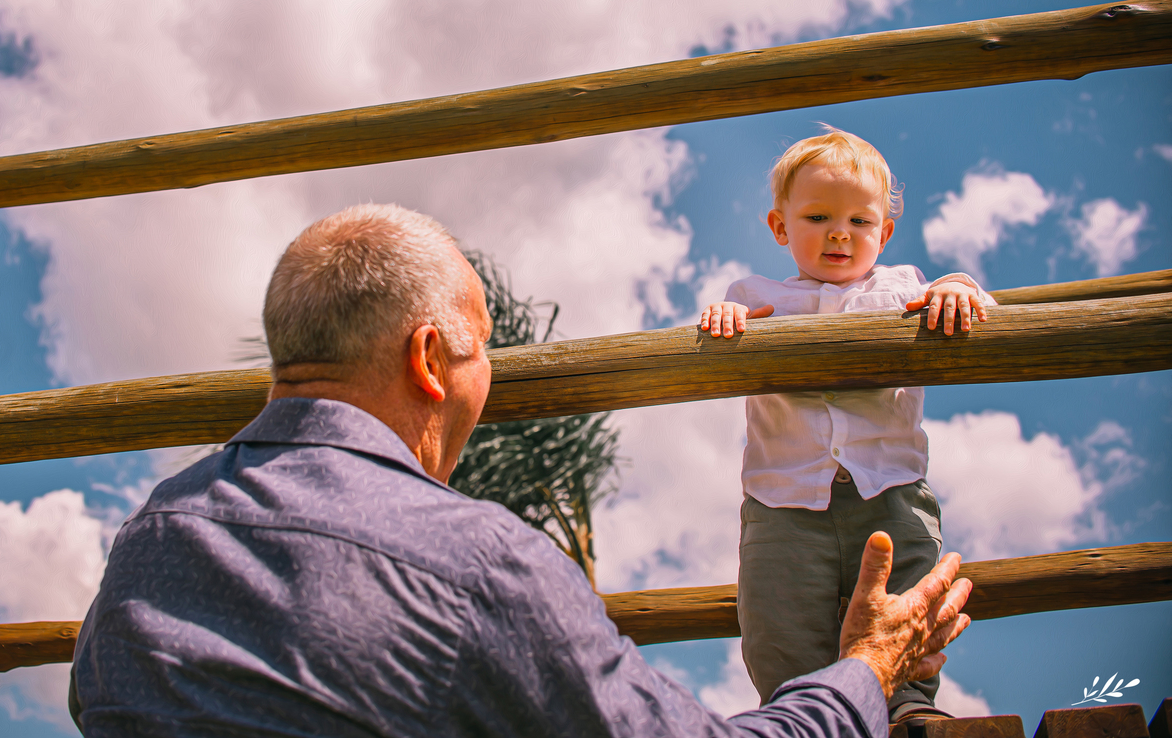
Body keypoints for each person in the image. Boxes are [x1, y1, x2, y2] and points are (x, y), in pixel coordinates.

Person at [70, 203, 971, 737]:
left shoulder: (150, 537)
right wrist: (868, 666)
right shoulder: (471, 562)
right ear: (431, 358)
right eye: (484, 351)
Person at [698, 128, 994, 725]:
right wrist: (723, 317)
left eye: (861, 221)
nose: (840, 232)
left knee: (907, 589)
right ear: (780, 228)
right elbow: (719, 331)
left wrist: (959, 288)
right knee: (778, 617)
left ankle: (909, 704)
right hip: (782, 500)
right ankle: (796, 714)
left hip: (889, 490)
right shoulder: (757, 296)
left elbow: (974, 303)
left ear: (883, 232)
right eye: (817, 216)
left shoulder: (907, 289)